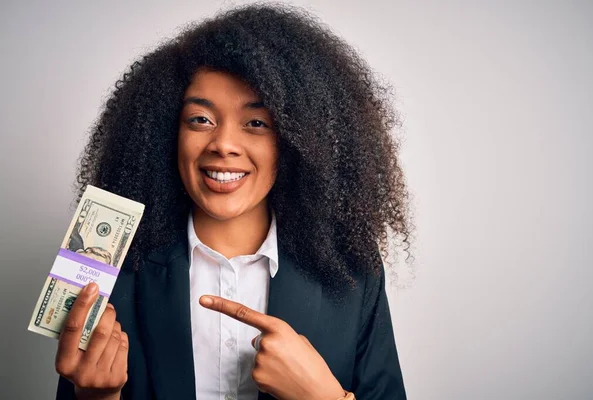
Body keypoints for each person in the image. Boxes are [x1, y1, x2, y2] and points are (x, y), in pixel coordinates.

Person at [55, 3, 413, 400]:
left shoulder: (351, 269)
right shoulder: (110, 267)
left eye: (256, 123)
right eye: (200, 120)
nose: (224, 144)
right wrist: (96, 398)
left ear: (296, 141)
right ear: (164, 133)